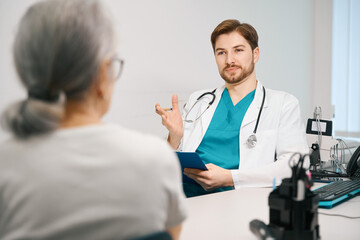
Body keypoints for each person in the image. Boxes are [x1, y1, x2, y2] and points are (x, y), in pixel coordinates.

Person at [0, 0, 187, 239]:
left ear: (27, 73)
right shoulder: (156, 159)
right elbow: (173, 233)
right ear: (101, 75)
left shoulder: (5, 167)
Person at [155, 19, 308, 198]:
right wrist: (174, 138)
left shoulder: (283, 104)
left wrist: (230, 178)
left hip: (236, 200)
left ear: (255, 54)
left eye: (238, 50)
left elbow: (295, 165)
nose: (229, 60)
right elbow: (171, 161)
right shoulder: (199, 100)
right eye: (221, 53)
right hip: (183, 198)